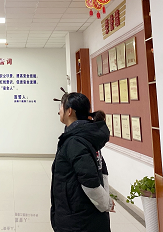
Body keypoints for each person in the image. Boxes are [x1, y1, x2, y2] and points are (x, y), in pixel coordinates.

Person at [51, 92, 111, 232]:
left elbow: (89, 180)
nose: (59, 111)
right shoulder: (85, 135)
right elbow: (102, 171)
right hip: (86, 215)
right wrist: (105, 200)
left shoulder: (75, 141)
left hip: (78, 220)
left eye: (61, 107)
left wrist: (105, 203)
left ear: (69, 111)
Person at [91, 110, 115, 213]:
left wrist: (107, 203)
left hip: (94, 202)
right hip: (100, 198)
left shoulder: (88, 146)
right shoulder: (96, 145)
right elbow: (104, 174)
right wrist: (107, 201)